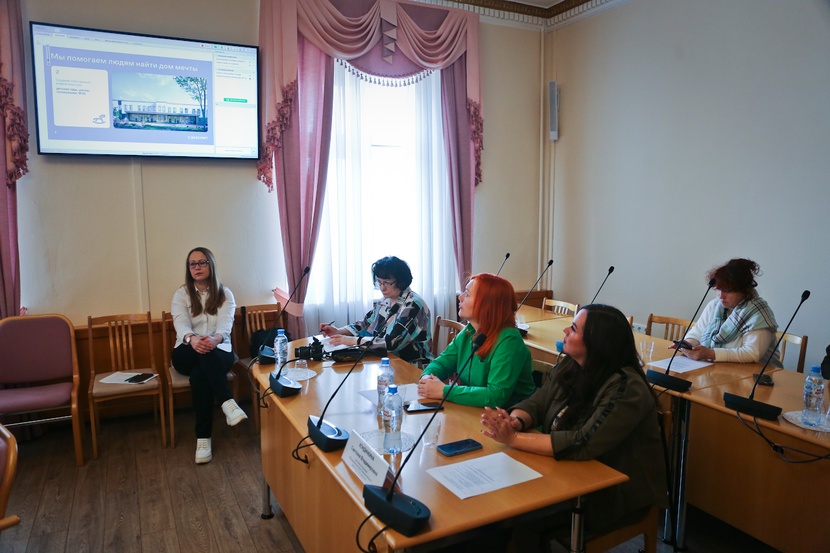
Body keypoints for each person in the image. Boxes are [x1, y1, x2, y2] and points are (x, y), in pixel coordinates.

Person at [480, 304, 667, 550]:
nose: (566, 331)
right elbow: (537, 402)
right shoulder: (572, 365)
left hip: (614, 494)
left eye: (575, 329)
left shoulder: (626, 387)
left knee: (520, 519)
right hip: (566, 474)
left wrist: (513, 438)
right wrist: (516, 421)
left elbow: (583, 442)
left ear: (597, 342)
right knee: (496, 506)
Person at [171, 247, 247, 464]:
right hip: (186, 349)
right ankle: (228, 402)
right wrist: (193, 340)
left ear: (210, 265)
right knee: (203, 356)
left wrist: (215, 339)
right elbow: (180, 323)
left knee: (200, 375)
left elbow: (226, 324)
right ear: (188, 268)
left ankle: (203, 438)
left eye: (202, 262)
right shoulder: (181, 294)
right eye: (192, 264)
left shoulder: (225, 294)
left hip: (219, 349)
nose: (197, 267)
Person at [417, 273, 536, 408]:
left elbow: (496, 396)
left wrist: (445, 391)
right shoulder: (469, 332)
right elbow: (442, 363)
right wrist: (426, 379)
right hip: (475, 411)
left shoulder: (509, 341)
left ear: (487, 304)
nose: (460, 297)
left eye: (467, 294)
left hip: (509, 417)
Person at [319, 256, 432, 363]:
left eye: (386, 283)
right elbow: (366, 323)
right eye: (379, 282)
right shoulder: (385, 300)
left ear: (401, 281)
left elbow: (392, 344)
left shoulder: (413, 305)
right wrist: (339, 331)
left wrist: (351, 341)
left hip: (412, 365)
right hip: (385, 360)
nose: (382, 288)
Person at [675, 258, 780, 366]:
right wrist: (687, 344)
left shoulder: (757, 314)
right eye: (718, 289)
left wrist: (710, 353)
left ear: (744, 291)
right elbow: (698, 332)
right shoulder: (715, 305)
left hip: (757, 373)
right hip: (719, 368)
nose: (721, 296)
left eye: (727, 291)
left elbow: (752, 353)